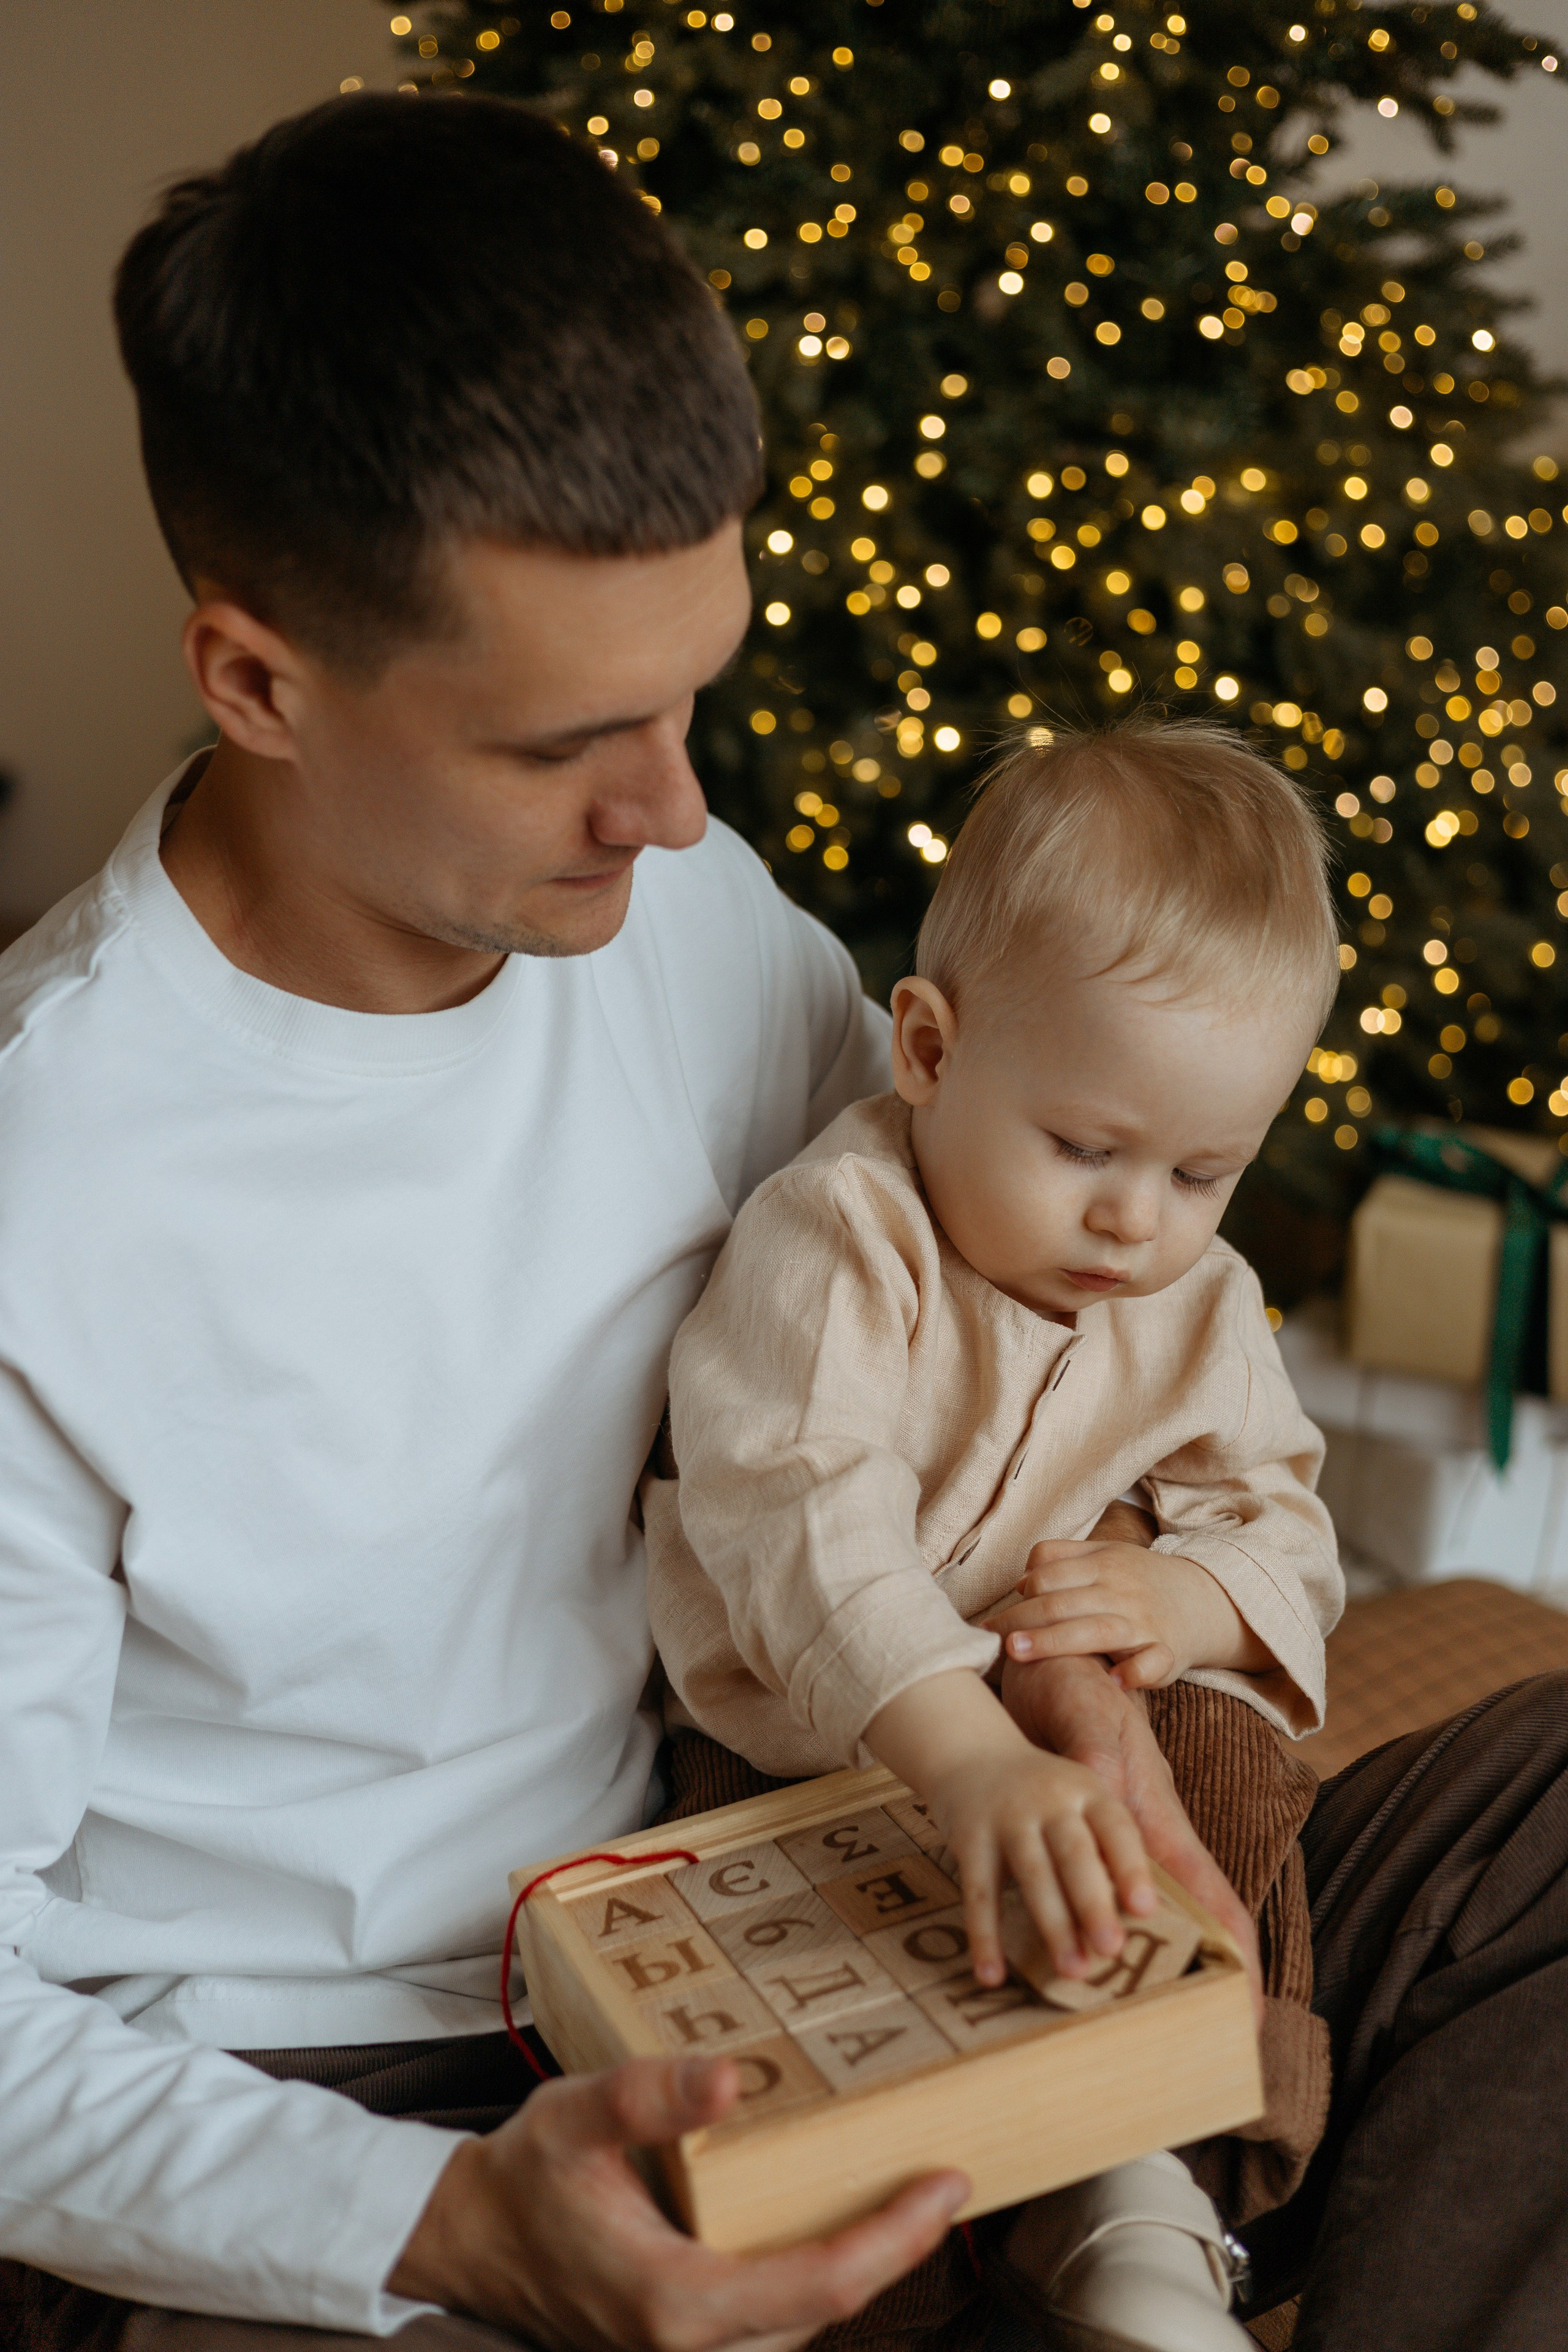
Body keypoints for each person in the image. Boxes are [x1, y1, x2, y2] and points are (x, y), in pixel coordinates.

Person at [2, 83, 1566, 2352]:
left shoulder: (684, 917)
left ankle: (1161, 2247)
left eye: (695, 696)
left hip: (802, 1866)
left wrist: (1100, 1664)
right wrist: (447, 2230)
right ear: (260, 679)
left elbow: (980, 1330)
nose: (678, 807)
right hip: (335, 2085)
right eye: (567, 744)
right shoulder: (50, 1189)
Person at [645, 724, 1343, 2350]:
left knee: (1233, 1777)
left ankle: (1162, 2179)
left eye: (1201, 1171)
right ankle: (901, 2242)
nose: (1134, 1219)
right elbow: (798, 1509)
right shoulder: (843, 1236)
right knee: (786, 1937)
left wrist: (1193, 1597)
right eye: (1087, 1149)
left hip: (1061, 1721)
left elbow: (1287, 1525)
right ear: (934, 1050)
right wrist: (965, 1755)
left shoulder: (1202, 1299)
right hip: (818, 1740)